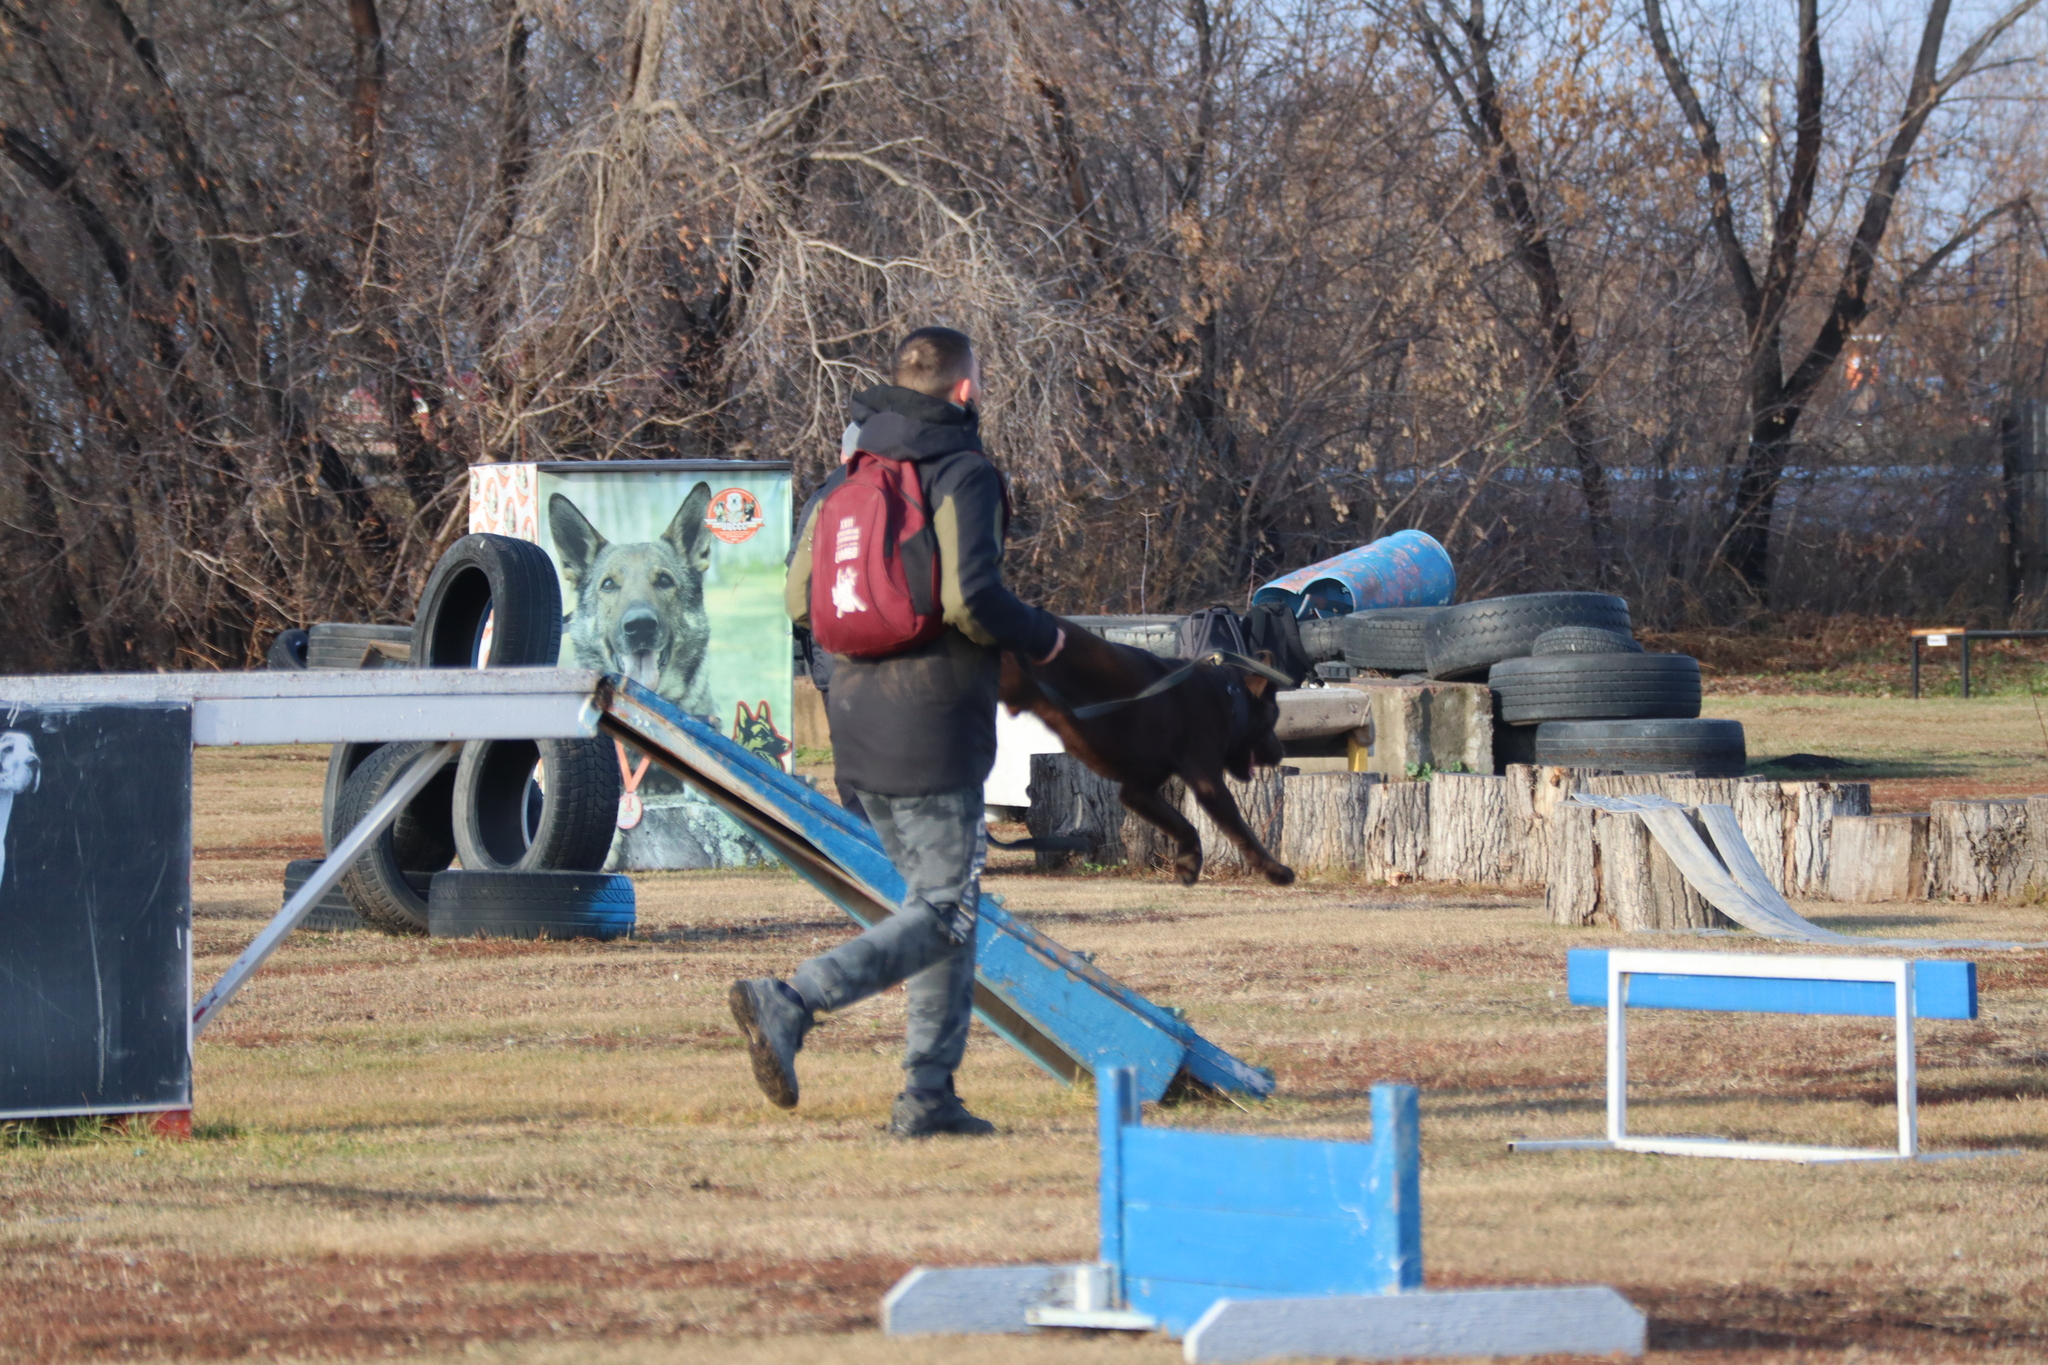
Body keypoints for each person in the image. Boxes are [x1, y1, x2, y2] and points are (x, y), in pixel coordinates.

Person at [730, 326, 1065, 1138]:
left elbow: (797, 603)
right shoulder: (962, 472)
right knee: (947, 908)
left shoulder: (847, 478)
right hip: (934, 719)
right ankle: (794, 998)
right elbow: (972, 601)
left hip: (855, 720)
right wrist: (1044, 636)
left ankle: (927, 1097)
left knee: (942, 907)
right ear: (964, 391)